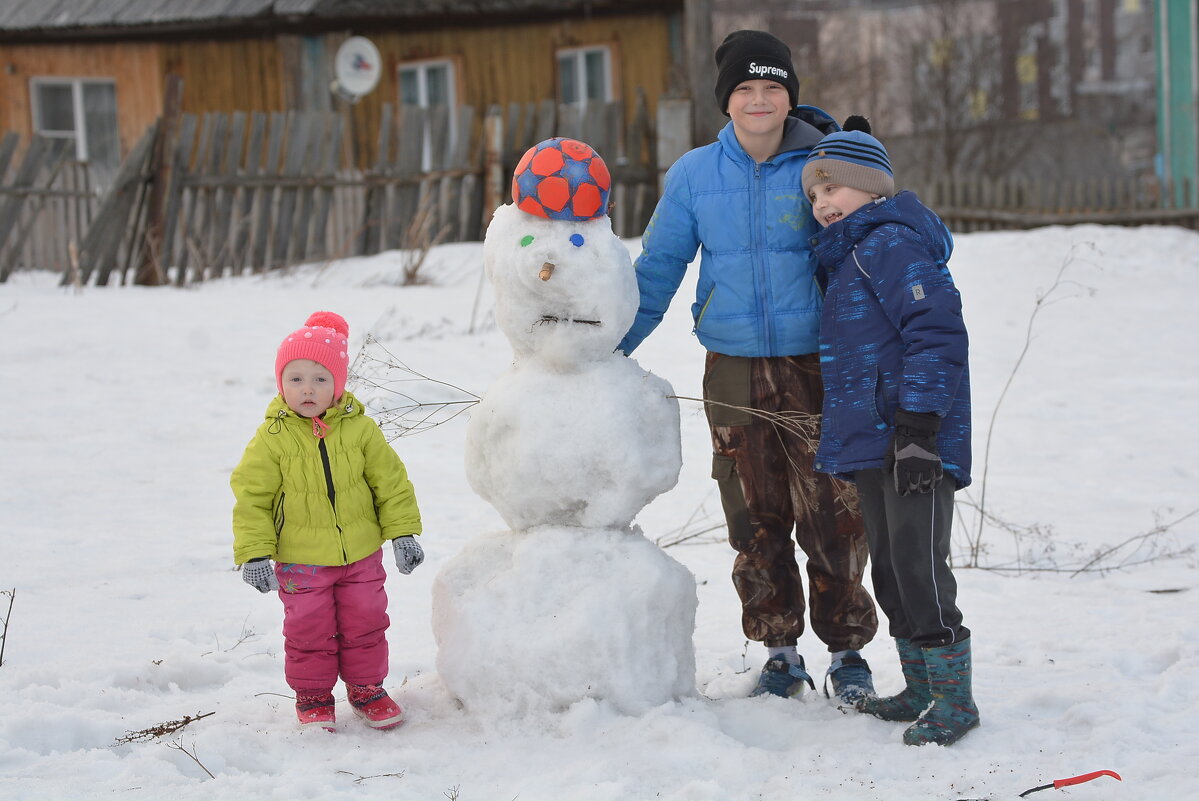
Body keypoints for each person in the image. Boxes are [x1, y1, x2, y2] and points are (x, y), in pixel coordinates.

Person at [617, 30, 878, 703]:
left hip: (817, 360)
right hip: (731, 365)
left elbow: (876, 242)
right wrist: (612, 347)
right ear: (725, 100)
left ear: (788, 95)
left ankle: (847, 650)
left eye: (771, 88)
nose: (758, 100)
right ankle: (779, 648)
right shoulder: (694, 175)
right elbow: (659, 268)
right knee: (751, 509)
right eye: (744, 89)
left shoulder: (822, 166)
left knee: (834, 506)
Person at [801, 120, 979, 745]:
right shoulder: (849, 253)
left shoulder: (890, 244)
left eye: (834, 190)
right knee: (891, 568)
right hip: (874, 439)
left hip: (913, 439)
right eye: (814, 196)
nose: (822, 204)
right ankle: (921, 687)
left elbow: (937, 331)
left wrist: (920, 428)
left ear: (872, 189)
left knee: (919, 564)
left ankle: (955, 699)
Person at [231, 311, 424, 731]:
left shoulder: (361, 430)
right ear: (281, 383)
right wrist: (255, 552)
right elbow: (252, 498)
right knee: (308, 629)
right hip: (301, 560)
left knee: (367, 621)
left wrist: (403, 532)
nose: (307, 389)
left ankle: (367, 688)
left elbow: (391, 483)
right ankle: (314, 696)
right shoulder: (272, 438)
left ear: (338, 385)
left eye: (320, 379)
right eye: (296, 378)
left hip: (360, 554)